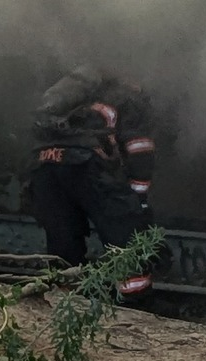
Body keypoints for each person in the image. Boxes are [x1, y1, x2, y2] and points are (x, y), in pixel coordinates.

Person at [26, 66, 159, 302]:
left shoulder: (70, 98)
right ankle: (138, 306)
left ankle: (65, 302)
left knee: (63, 241)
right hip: (86, 166)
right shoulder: (129, 98)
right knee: (126, 236)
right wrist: (139, 200)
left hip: (44, 166)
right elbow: (139, 148)